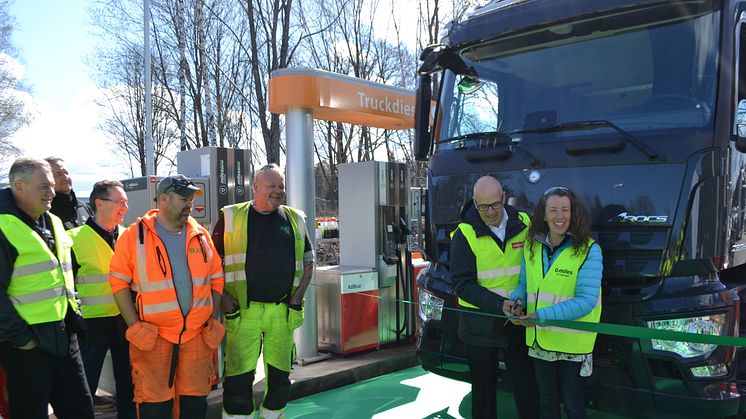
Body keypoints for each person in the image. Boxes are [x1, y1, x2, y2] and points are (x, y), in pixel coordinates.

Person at [109, 174, 225, 419]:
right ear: (162, 199)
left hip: (196, 338)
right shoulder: (134, 236)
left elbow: (216, 277)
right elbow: (118, 282)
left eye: (191, 198)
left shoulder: (201, 234)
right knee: (155, 409)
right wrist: (135, 326)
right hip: (153, 340)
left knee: (194, 407)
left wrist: (210, 317)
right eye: (184, 198)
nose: (190, 204)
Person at [212, 164, 314, 419]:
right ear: (255, 187)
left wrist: (297, 296)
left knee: (280, 374)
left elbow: (310, 262)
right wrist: (223, 298)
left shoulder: (295, 218)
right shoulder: (231, 216)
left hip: (282, 311)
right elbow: (209, 263)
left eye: (281, 186)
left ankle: (273, 414)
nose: (278, 191)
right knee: (238, 375)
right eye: (272, 186)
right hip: (243, 311)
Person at [0, 157, 94, 419]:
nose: (52, 192)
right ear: (18, 185)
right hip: (27, 347)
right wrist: (23, 340)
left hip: (65, 338)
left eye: (52, 185)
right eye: (44, 186)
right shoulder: (3, 226)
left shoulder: (51, 221)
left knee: (81, 411)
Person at [507, 186, 602, 419]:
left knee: (573, 405)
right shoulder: (531, 246)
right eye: (553, 210)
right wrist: (515, 302)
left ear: (574, 213)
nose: (560, 217)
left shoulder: (589, 250)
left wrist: (542, 316)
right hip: (541, 341)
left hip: (573, 345)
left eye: (565, 210)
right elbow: (524, 284)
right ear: (543, 214)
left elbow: (586, 301)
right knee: (547, 404)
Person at [449, 175, 539, 419]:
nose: (490, 212)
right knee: (483, 393)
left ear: (502, 197)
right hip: (480, 323)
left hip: (519, 320)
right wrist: (500, 305)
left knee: (527, 387)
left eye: (495, 205)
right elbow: (462, 284)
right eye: (483, 207)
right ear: (475, 203)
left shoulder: (524, 222)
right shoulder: (464, 234)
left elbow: (536, 266)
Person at [69, 180, 136, 418]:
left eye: (126, 202)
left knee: (129, 385)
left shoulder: (130, 235)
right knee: (84, 387)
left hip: (126, 321)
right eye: (120, 202)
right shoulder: (74, 239)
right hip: (92, 326)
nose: (125, 208)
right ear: (99, 203)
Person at [45, 156, 93, 230]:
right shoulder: (45, 210)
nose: (65, 177)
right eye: (58, 174)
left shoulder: (82, 206)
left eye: (66, 173)